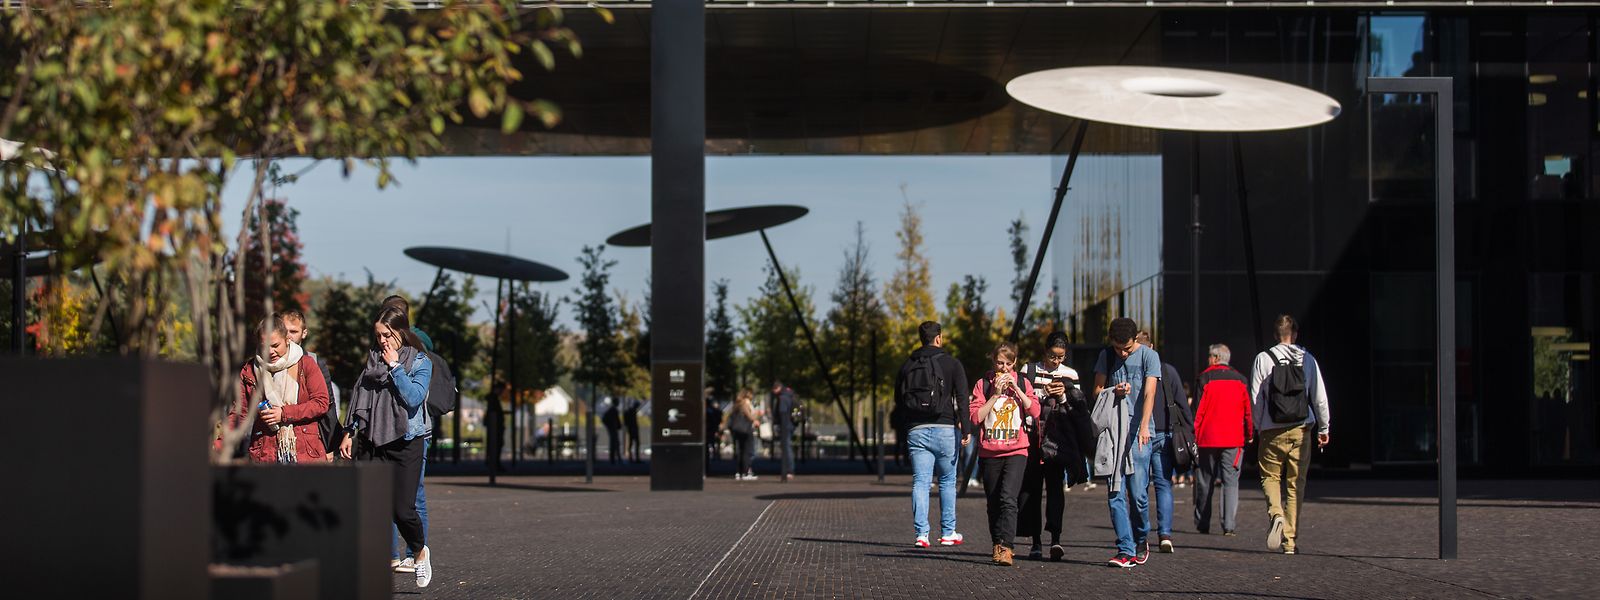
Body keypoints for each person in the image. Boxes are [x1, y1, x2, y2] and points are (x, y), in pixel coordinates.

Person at [340, 305, 435, 588]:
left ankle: (419, 552)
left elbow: (413, 398)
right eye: (378, 335)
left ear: (401, 333)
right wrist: (350, 431)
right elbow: (361, 396)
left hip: (406, 441)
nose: (382, 341)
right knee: (371, 504)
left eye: (387, 334)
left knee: (403, 509)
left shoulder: (420, 361)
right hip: (374, 440)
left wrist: (394, 367)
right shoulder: (372, 360)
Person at [1250, 315, 1332, 556]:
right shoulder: (1307, 359)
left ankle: (1276, 514)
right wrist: (1324, 428)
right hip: (1301, 428)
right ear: (1294, 334)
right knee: (1296, 485)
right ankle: (1289, 541)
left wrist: (1257, 427)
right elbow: (1319, 396)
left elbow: (1256, 398)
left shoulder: (1263, 359)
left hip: (1271, 429)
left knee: (1270, 478)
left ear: (1275, 335)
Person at [893, 321, 971, 550]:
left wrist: (907, 425)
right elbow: (963, 399)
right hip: (945, 428)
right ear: (939, 338)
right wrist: (966, 429)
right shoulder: (952, 363)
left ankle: (921, 534)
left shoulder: (908, 364)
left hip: (916, 429)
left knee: (921, 482)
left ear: (921, 338)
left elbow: (898, 399)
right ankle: (948, 532)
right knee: (947, 481)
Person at [1092, 317, 1161, 569]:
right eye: (1118, 347)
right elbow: (1097, 391)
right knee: (1115, 492)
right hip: (1113, 434)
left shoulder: (1148, 357)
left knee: (1139, 495)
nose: (1122, 353)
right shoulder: (1106, 356)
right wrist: (1114, 391)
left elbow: (1150, 392)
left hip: (1139, 433)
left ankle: (1141, 537)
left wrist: (1144, 426)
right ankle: (1125, 549)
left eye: (1127, 348)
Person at [969, 341, 1038, 567]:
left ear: (1015, 363)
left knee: (1009, 498)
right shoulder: (983, 384)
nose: (1004, 368)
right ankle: (997, 543)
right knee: (993, 501)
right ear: (993, 362)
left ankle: (1007, 547)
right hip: (989, 451)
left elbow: (1035, 410)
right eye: (1000, 363)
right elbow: (976, 417)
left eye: (1008, 364)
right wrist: (995, 394)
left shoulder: (1022, 382)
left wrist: (1016, 389)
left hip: (1017, 449)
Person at [1016, 331, 1083, 561]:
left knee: (1055, 489)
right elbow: (1022, 401)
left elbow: (1077, 407)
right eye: (1053, 356)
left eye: (1061, 357)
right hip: (1033, 438)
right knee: (1032, 490)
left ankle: (1056, 539)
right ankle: (1035, 542)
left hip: (1057, 440)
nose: (1057, 362)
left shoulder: (1070, 374)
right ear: (1045, 352)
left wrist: (1064, 396)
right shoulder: (1028, 370)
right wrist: (1043, 393)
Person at [231, 314, 331, 464]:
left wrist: (284, 413)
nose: (270, 351)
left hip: (305, 452)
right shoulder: (250, 370)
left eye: (275, 346)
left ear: (287, 340)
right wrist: (220, 444)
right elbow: (240, 413)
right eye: (264, 347)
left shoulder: (306, 364)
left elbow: (321, 403)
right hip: (264, 452)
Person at [1134, 331, 1194, 554]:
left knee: (1139, 486)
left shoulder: (1135, 370)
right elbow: (1182, 405)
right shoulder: (1168, 371)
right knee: (1163, 484)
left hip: (1140, 434)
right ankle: (1165, 534)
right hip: (1165, 434)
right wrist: (1190, 432)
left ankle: (1141, 535)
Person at [1192, 343, 1253, 537]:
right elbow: (1247, 413)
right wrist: (1249, 434)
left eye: (1210, 356)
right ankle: (1229, 525)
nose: (1208, 359)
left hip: (1207, 439)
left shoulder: (1204, 378)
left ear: (1215, 358)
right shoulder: (1241, 380)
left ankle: (1203, 522)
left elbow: (1198, 413)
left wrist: (1193, 434)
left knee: (1204, 481)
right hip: (1233, 439)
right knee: (1230, 482)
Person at [281, 310, 341, 456]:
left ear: (304, 333)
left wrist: (329, 446)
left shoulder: (314, 362)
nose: (288, 335)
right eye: (285, 330)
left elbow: (328, 406)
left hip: (309, 438)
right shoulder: (268, 363)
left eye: (294, 331)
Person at [722, 389, 761, 480]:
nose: (753, 396)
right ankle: (746, 472)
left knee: (741, 450)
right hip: (746, 429)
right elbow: (750, 417)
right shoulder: (745, 404)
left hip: (738, 430)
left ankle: (739, 472)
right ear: (748, 395)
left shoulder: (737, 403)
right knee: (747, 450)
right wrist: (757, 415)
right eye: (752, 394)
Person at [771, 380, 799, 481]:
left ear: (777, 388)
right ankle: (789, 470)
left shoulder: (782, 398)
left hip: (785, 426)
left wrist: (778, 425)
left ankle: (788, 471)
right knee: (788, 447)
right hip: (791, 425)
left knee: (786, 448)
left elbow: (782, 413)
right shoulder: (790, 395)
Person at [602, 399, 623, 465]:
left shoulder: (611, 410)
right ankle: (616, 458)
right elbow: (617, 419)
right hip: (613, 429)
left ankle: (614, 458)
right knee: (615, 443)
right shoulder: (613, 410)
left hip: (612, 428)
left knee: (614, 443)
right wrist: (616, 426)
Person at [623, 397, 643, 463]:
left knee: (632, 444)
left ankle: (631, 457)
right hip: (633, 429)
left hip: (631, 429)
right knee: (635, 443)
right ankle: (634, 457)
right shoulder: (631, 412)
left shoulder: (628, 412)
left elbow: (625, 422)